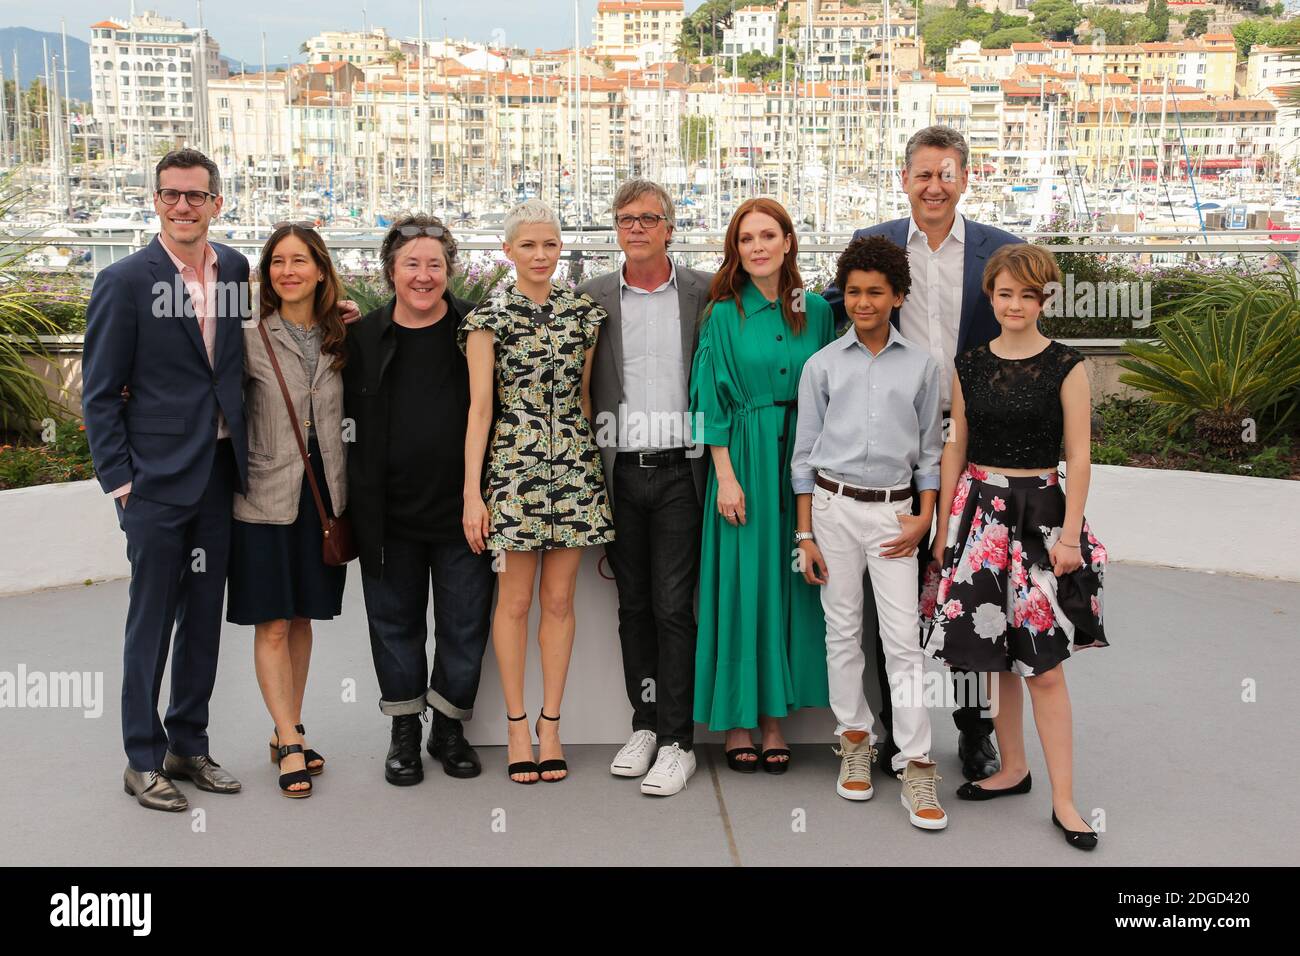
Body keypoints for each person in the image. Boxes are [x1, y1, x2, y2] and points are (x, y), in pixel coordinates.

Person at [822, 125, 1023, 781]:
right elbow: (834, 311)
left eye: (946, 173)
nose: (933, 185)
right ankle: (889, 733)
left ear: (965, 179)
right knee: (895, 590)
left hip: (975, 438)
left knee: (971, 586)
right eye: (922, 174)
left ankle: (973, 730)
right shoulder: (873, 246)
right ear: (903, 179)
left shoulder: (1001, 251)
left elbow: (1023, 336)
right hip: (896, 443)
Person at [923, 243, 1108, 850]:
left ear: (1043, 298)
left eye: (1028, 295)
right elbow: (955, 446)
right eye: (1005, 294)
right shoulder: (969, 364)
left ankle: (1065, 801)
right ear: (990, 296)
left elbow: (1078, 456)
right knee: (996, 657)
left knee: (1045, 667)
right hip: (979, 517)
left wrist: (1073, 533)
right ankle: (1013, 768)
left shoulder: (1067, 366)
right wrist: (943, 524)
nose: (1015, 305)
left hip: (1041, 519)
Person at [83, 149, 249, 810]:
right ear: (156, 200)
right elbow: (98, 394)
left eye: (195, 195)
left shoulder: (234, 268)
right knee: (150, 623)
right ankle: (141, 758)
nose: (183, 206)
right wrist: (122, 485)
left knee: (204, 618)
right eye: (171, 194)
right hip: (153, 485)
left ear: (216, 202)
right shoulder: (126, 280)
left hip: (217, 473)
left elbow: (240, 352)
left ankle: (188, 742)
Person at [792, 236, 948, 829]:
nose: (863, 302)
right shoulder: (823, 365)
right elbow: (804, 457)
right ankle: (854, 738)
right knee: (842, 632)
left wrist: (923, 516)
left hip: (894, 516)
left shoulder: (923, 366)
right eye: (854, 292)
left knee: (903, 641)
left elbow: (930, 453)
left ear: (897, 296)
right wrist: (804, 535)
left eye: (875, 292)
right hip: (831, 511)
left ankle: (916, 763)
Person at [460, 199, 614, 784]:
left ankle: (553, 723)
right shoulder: (486, 319)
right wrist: (472, 495)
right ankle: (516, 724)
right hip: (513, 476)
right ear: (507, 251)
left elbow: (584, 401)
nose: (541, 255)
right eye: (528, 245)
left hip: (574, 472)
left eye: (550, 244)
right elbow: (479, 410)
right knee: (515, 603)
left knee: (559, 602)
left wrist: (594, 469)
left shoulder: (584, 315)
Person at [344, 215, 496, 786]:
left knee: (464, 627)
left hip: (464, 513)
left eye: (435, 264)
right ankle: (404, 732)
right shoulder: (360, 339)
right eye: (412, 264)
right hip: (386, 517)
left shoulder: (478, 332)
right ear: (391, 271)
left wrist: (478, 495)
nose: (424, 275)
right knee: (394, 626)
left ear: (449, 270)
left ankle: (449, 730)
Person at [577, 179, 713, 797]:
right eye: (625, 219)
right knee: (632, 606)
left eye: (648, 219)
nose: (636, 228)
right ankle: (645, 725)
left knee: (673, 607)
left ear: (669, 228)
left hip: (684, 471)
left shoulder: (705, 293)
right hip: (620, 470)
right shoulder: (592, 297)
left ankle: (680, 740)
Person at [690, 197, 833, 774]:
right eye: (745, 238)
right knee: (743, 586)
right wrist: (725, 477)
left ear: (788, 241)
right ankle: (739, 723)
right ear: (735, 249)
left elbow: (832, 390)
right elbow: (709, 400)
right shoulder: (722, 313)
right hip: (744, 460)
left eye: (767, 235)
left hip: (804, 460)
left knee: (789, 583)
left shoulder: (818, 310)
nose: (757, 247)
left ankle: (776, 721)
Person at [227, 223, 349, 798]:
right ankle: (288, 736)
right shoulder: (246, 333)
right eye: (277, 262)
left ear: (320, 269)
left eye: (300, 261)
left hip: (325, 498)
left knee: (302, 617)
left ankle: (288, 729)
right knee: (271, 620)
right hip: (265, 493)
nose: (288, 271)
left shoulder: (341, 333)